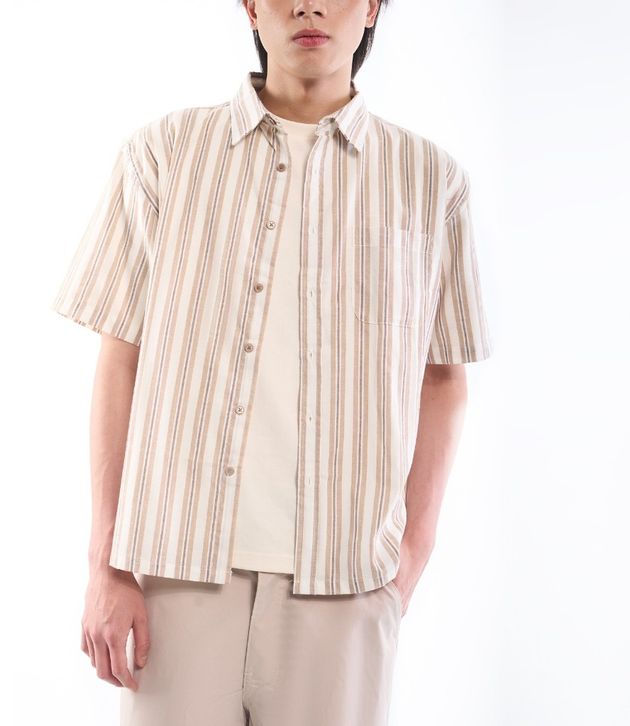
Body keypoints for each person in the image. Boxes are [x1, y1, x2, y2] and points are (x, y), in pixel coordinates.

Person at [51, 1, 494, 724]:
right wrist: (106, 566)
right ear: (251, 7)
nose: (309, 5)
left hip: (345, 587)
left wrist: (411, 554)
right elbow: (120, 358)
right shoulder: (163, 155)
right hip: (175, 575)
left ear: (373, 7)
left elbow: (444, 377)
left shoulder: (429, 180)